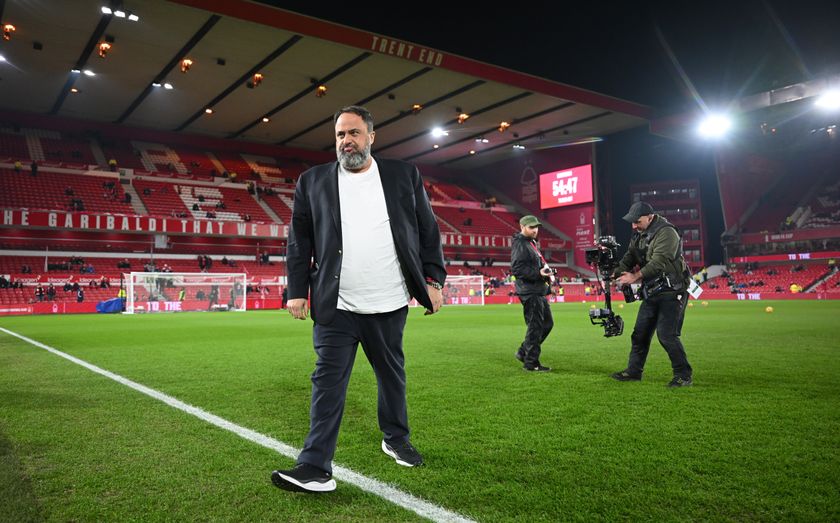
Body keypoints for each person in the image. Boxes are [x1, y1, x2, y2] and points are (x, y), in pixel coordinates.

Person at [271, 105, 445, 494]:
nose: (346, 141)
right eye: (339, 135)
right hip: (337, 304)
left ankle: (395, 438)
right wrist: (297, 290)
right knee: (327, 382)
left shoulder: (404, 175)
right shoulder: (312, 181)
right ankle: (314, 466)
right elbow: (299, 241)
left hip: (389, 300)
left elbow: (427, 229)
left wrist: (433, 279)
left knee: (391, 376)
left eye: (353, 133)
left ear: (371, 136)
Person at [611, 201, 693, 387]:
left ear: (650, 217)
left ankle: (684, 375)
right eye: (632, 222)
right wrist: (614, 273)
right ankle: (633, 372)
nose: (633, 225)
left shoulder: (667, 232)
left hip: (673, 291)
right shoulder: (639, 234)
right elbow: (629, 258)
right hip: (654, 290)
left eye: (637, 221)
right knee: (639, 334)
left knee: (667, 335)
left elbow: (658, 262)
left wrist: (635, 277)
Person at [511, 215, 554, 372]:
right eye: (531, 227)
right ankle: (531, 363)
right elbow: (517, 269)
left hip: (538, 291)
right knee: (535, 327)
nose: (535, 230)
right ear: (522, 226)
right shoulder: (520, 244)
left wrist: (547, 281)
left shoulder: (530, 243)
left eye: (536, 227)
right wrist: (539, 273)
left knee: (547, 324)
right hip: (530, 292)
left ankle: (523, 352)